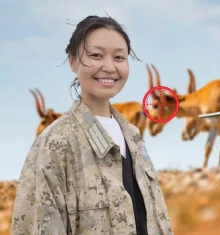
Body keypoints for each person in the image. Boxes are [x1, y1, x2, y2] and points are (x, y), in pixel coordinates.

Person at [11, 15, 173, 235]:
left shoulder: (133, 136)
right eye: (96, 55)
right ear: (72, 61)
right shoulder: (56, 143)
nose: (109, 67)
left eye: (119, 57)